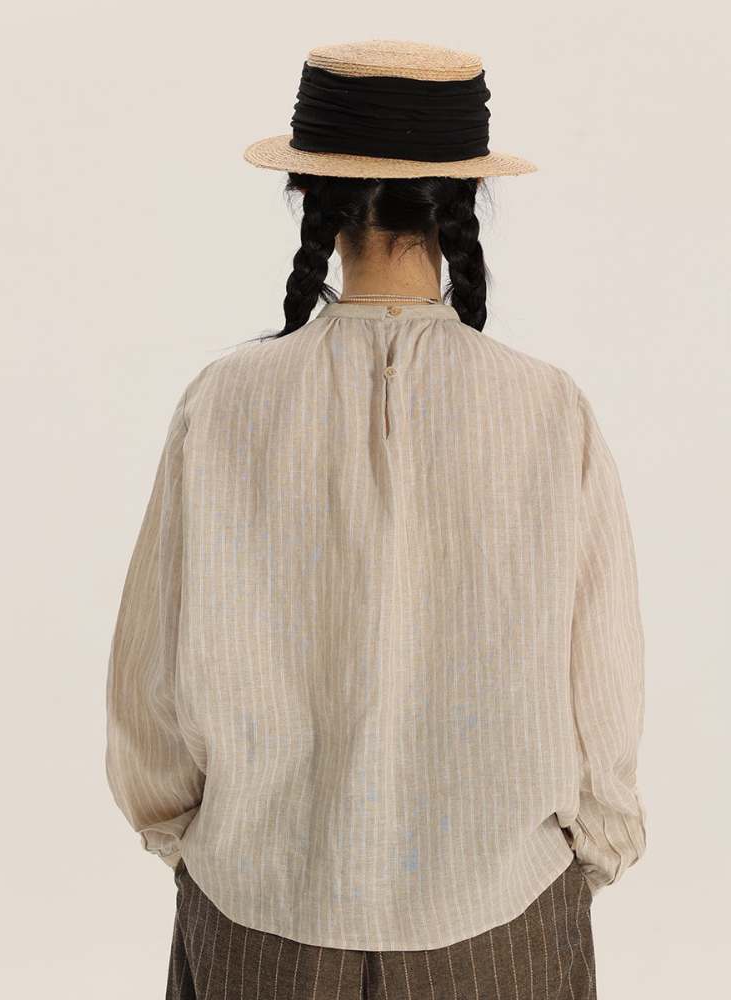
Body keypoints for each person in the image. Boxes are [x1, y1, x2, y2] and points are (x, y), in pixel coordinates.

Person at [105, 40, 646, 1000]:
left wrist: (188, 836)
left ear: (308, 195)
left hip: (258, 909)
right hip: (503, 914)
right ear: (465, 201)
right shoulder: (546, 406)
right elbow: (602, 671)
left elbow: (149, 676)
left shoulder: (224, 401)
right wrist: (596, 844)